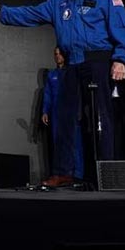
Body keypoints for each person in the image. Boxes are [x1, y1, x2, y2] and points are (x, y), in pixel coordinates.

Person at [0, 0, 125, 188]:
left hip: (98, 61)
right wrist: (2, 12)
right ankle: (65, 172)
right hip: (71, 64)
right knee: (64, 118)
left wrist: (121, 58)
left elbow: (121, 26)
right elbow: (34, 13)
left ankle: (107, 172)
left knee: (101, 118)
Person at [40, 46, 84, 180]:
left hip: (70, 110)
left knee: (74, 142)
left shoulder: (71, 72)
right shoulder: (51, 74)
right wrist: (45, 111)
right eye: (55, 54)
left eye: (60, 54)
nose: (58, 56)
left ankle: (77, 174)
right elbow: (47, 94)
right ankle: (62, 174)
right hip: (56, 112)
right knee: (58, 142)